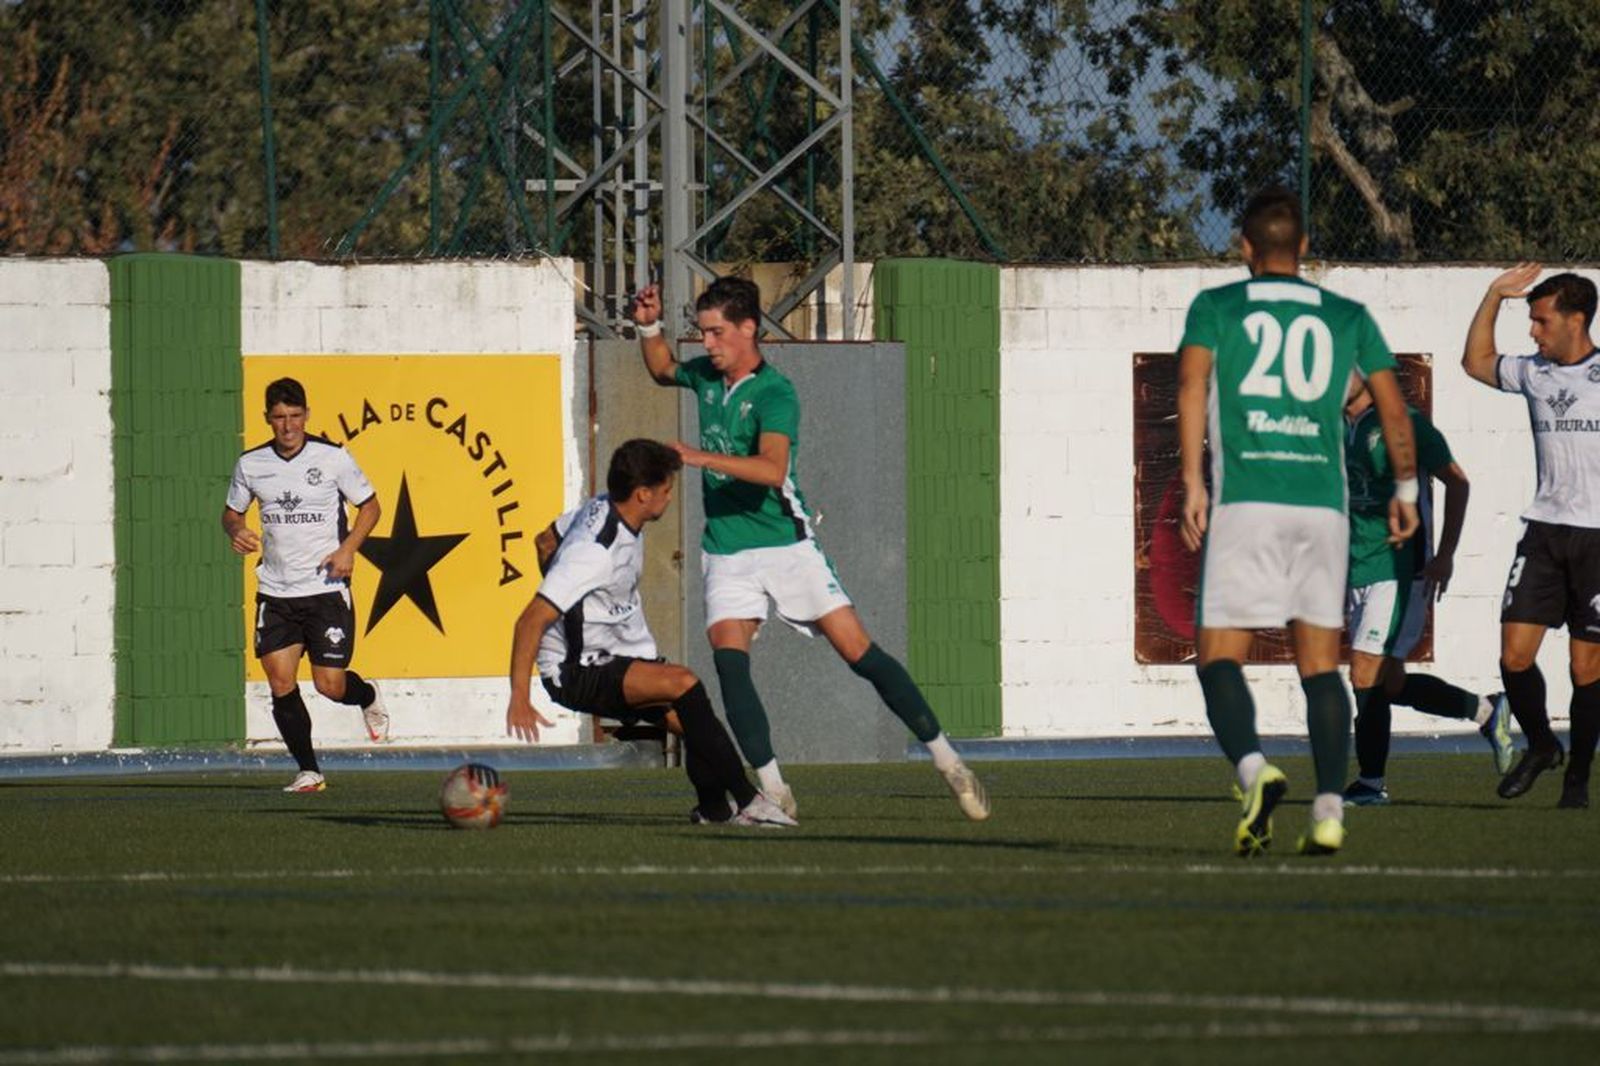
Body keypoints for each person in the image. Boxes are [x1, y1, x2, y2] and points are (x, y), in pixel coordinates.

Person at [630, 276, 990, 821]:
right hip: (726, 551)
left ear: (749, 328)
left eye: (717, 332)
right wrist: (649, 324)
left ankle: (948, 760)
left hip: (785, 546)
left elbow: (772, 469)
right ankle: (774, 789)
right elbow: (660, 367)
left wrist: (701, 458)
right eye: (703, 332)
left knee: (860, 654)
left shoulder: (776, 393)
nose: (708, 344)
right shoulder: (705, 376)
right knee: (729, 666)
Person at [1178, 186, 1419, 856]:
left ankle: (1254, 771)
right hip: (1322, 510)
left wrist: (1195, 482)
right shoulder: (1346, 314)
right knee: (1320, 667)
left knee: (1219, 657)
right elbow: (1393, 407)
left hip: (1247, 502)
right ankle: (1331, 811)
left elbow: (1192, 385)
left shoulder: (1216, 306)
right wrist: (1405, 487)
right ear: (1305, 249)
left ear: (1245, 248)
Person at [506, 438, 795, 827]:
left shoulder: (603, 505)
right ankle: (751, 804)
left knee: (691, 719)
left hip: (612, 654)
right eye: (666, 490)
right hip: (577, 669)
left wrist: (578, 607)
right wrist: (520, 696)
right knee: (684, 683)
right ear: (643, 495)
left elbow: (545, 541)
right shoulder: (594, 554)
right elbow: (529, 621)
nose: (671, 498)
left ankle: (714, 809)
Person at [1461, 264, 1600, 809]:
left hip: (1597, 540)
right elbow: (1475, 362)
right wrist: (1493, 293)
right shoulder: (1534, 372)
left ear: (1576, 319)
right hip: (1543, 533)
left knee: (1586, 668)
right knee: (1514, 656)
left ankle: (1578, 781)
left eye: (1541, 321)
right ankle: (1542, 745)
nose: (1534, 332)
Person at [1339, 383, 1514, 806]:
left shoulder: (1403, 421)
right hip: (1355, 568)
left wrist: (1446, 554)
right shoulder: (1332, 424)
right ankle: (1487, 711)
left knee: (1365, 673)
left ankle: (1370, 783)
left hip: (1399, 569)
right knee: (1389, 683)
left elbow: (1457, 482)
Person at [222, 377, 389, 793]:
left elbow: (370, 506)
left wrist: (348, 548)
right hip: (276, 592)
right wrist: (236, 530)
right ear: (268, 419)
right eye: (279, 417)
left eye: (295, 416)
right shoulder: (251, 464)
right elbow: (231, 512)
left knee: (330, 686)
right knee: (280, 681)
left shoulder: (332, 458)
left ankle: (367, 695)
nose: (288, 425)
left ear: (307, 416)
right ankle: (309, 771)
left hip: (326, 589)